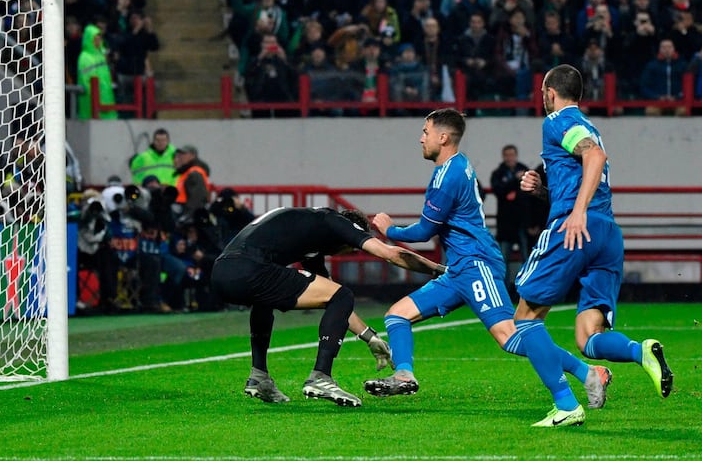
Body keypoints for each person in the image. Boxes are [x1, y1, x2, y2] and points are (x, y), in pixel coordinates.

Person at [363, 108, 611, 427]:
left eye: (425, 131)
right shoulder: (458, 164)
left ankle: (583, 380)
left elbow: (425, 231)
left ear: (443, 137)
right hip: (459, 268)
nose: (421, 138)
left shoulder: (448, 176)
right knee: (397, 314)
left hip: (477, 264)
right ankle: (404, 374)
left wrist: (390, 229)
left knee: (510, 337)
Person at [516, 64, 674, 419]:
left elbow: (593, 156)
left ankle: (565, 404)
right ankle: (641, 351)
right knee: (588, 337)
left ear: (551, 93)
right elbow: (588, 167)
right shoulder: (591, 127)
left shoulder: (558, 121)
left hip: (576, 229)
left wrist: (576, 212)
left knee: (525, 319)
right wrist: (544, 191)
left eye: (543, 91)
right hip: (607, 233)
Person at [210, 206, 443, 408]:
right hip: (249, 269)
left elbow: (332, 302)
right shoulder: (334, 222)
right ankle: (321, 377)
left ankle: (259, 376)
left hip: (221, 273)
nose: (350, 251)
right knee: (343, 294)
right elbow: (391, 254)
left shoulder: (311, 238)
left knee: (269, 300)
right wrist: (441, 271)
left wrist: (370, 338)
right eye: (351, 247)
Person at [490, 143, 531, 288]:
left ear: (516, 155)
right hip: (505, 224)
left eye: (512, 155)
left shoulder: (525, 171)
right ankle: (504, 291)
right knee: (503, 259)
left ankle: (527, 289)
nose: (509, 158)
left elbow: (529, 195)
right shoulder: (498, 174)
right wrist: (515, 180)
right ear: (503, 156)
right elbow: (499, 191)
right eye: (507, 155)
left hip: (522, 223)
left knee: (527, 258)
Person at [77, 23, 118, 120]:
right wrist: (94, 98)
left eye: (100, 37)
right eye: (96, 37)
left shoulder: (101, 55)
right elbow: (85, 80)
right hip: (92, 101)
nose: (99, 40)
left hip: (106, 96)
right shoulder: (85, 57)